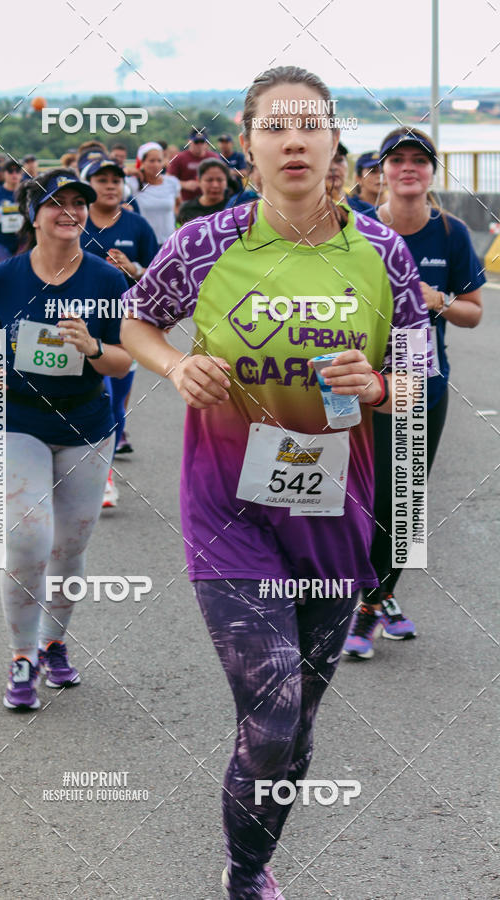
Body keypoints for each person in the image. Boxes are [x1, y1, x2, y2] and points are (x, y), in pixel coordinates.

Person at [120, 65, 432, 899]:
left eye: (310, 125)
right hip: (230, 511)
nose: (294, 140)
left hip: (334, 515)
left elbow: (419, 378)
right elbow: (137, 318)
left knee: (297, 726)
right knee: (274, 711)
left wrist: (378, 386)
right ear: (248, 144)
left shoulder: (383, 253)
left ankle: (252, 851)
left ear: (334, 142)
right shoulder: (205, 243)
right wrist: (176, 364)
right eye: (274, 126)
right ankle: (249, 877)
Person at [0, 168, 131, 710]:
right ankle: (22, 655)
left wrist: (93, 348)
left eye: (78, 202)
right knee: (28, 537)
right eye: (56, 202)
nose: (69, 211)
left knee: (70, 547)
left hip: (85, 424)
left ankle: (54, 642)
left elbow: (126, 359)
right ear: (34, 215)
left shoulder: (106, 281)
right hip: (17, 420)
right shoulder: (1, 279)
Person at [343, 127, 484, 659]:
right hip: (355, 378)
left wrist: (435, 298)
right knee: (350, 496)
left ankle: (372, 604)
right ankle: (352, 596)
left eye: (419, 160)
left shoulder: (451, 233)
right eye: (397, 159)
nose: (408, 168)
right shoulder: (356, 230)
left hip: (420, 379)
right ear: (380, 171)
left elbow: (473, 313)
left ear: (431, 171)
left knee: (401, 502)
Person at [80, 156, 160, 503]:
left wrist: (134, 269)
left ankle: (103, 471)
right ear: (88, 186)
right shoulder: (75, 223)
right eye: (102, 180)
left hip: (127, 329)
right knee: (94, 398)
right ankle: (87, 472)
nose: (111, 186)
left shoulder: (137, 226)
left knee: (115, 406)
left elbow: (159, 276)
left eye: (115, 180)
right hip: (79, 328)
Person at [126, 142, 180, 245]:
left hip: (168, 243)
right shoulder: (133, 184)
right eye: (151, 161)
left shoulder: (172, 182)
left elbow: (178, 207)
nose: (156, 165)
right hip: (144, 243)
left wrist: (178, 227)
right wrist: (127, 171)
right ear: (142, 162)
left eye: (159, 161)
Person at [327, 141, 377, 219]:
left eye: (339, 160)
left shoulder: (367, 211)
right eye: (326, 161)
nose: (333, 167)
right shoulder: (308, 209)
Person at [166, 129, 219, 202]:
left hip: (210, 202)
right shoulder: (179, 158)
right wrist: (184, 184)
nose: (199, 145)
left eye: (202, 142)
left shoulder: (214, 158)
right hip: (186, 202)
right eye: (196, 142)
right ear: (189, 142)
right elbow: (168, 179)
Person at [177, 158, 230, 225]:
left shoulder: (233, 208)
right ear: (198, 181)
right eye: (209, 180)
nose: (215, 185)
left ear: (226, 181)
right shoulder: (186, 209)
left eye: (220, 180)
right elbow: (178, 230)